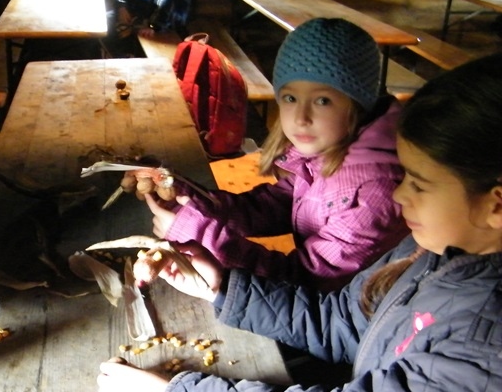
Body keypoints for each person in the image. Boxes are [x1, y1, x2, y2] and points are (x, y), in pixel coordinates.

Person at [98, 52, 502, 392]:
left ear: (496, 205)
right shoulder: (439, 252)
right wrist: (224, 287)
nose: (399, 194)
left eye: (419, 183)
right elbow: (341, 321)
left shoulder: (488, 344)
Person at [133, 17, 410, 291]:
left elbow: (306, 281)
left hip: (335, 312)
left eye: (322, 100)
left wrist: (199, 233)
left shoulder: (375, 192)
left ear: (359, 104)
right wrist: (194, 198)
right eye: (290, 98)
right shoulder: (333, 148)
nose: (300, 118)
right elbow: (276, 205)